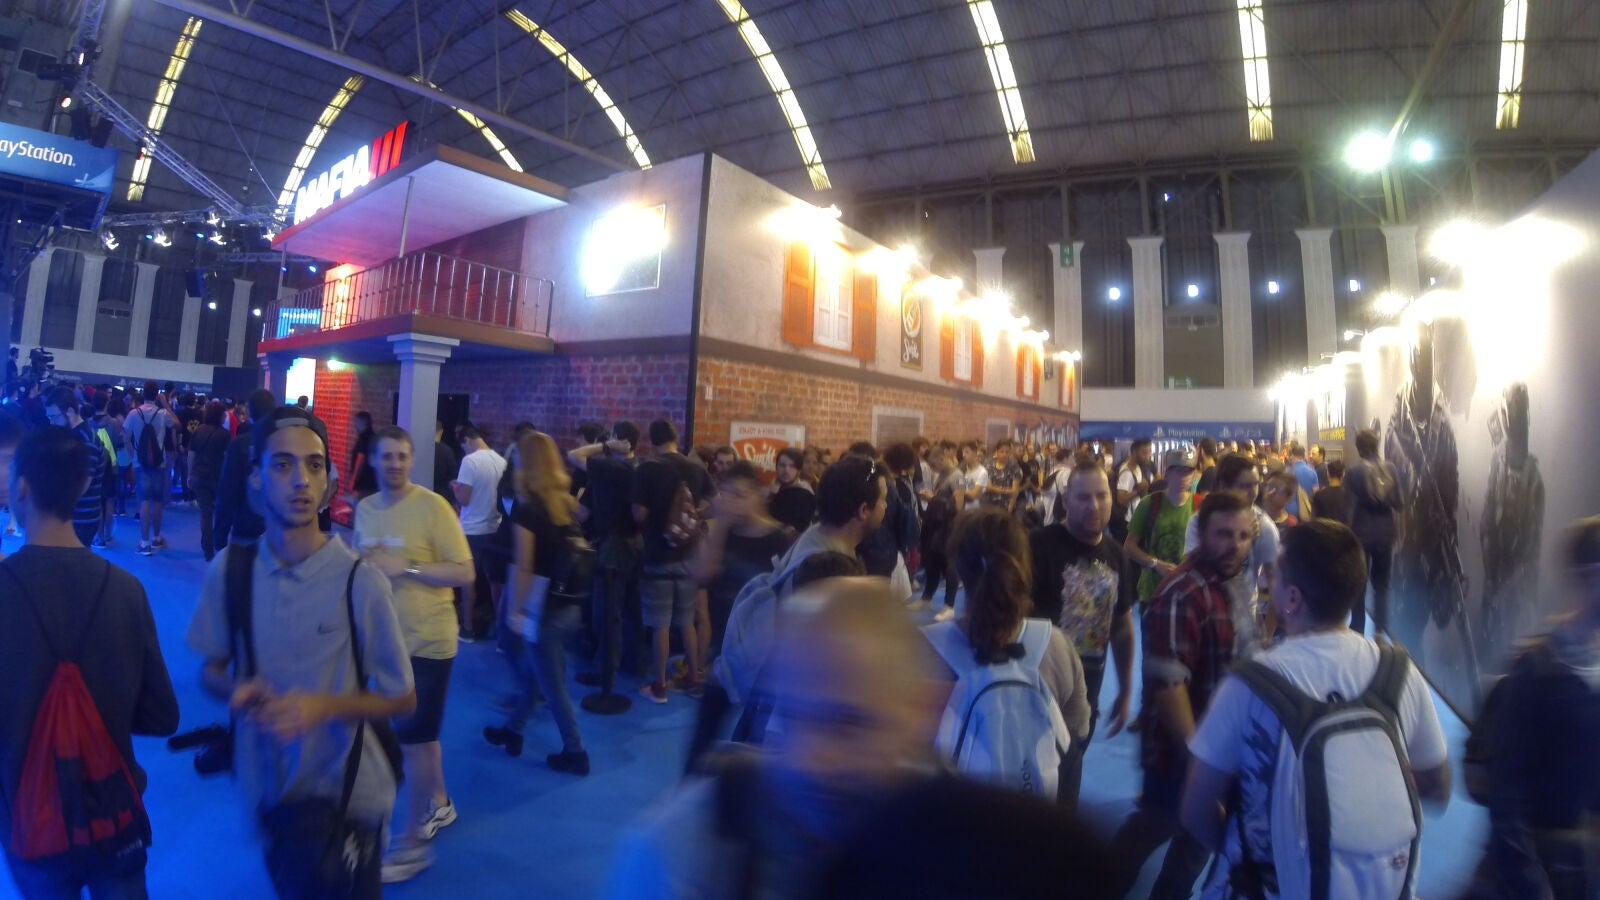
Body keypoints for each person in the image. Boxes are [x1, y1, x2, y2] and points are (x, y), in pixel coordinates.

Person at [187, 407, 414, 898]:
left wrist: (323, 706)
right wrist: (236, 688)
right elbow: (211, 669)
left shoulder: (359, 580)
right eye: (283, 464)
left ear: (328, 482)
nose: (300, 480)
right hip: (270, 792)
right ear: (255, 477)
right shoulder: (231, 571)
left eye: (314, 465)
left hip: (350, 795)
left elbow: (402, 697)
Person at [608, 578, 937, 900]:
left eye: (850, 723)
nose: (810, 759)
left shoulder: (949, 848)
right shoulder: (681, 851)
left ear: (918, 716)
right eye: (793, 716)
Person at [1181, 519, 1450, 898]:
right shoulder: (1400, 671)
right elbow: (1438, 787)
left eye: (1275, 574)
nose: (1268, 579)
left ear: (1292, 598)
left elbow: (1196, 809)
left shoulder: (1249, 684)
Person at [0, 425, 179, 899]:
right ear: (83, 487)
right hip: (111, 811)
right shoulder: (126, 590)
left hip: (29, 819)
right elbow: (162, 716)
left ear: (22, 487)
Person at [1110, 490, 1260, 900]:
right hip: (1179, 753)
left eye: (1243, 536)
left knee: (1195, 848)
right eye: (1224, 534)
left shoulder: (1230, 583)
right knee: (1153, 828)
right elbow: (1169, 686)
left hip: (1219, 750)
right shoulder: (1182, 593)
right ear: (1202, 533)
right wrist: (1198, 765)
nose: (1235, 545)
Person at [352, 426, 475, 882]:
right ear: (373, 460)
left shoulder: (433, 507)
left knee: (415, 741)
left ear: (412, 459)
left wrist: (406, 566)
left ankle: (413, 847)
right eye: (387, 456)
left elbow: (464, 572)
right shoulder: (365, 509)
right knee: (415, 736)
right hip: (385, 643)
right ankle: (438, 803)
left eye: (402, 456)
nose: (395, 464)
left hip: (428, 642)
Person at [1468, 517, 1600, 900]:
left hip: (1581, 869)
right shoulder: (1536, 670)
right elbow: (1507, 802)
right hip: (1543, 871)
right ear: (1588, 576)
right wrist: (1533, 889)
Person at [929, 507, 1090, 801]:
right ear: (1024, 569)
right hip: (1037, 817)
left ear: (958, 570)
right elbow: (1076, 734)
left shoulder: (925, 652)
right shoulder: (1056, 645)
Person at [1029, 456, 1135, 808]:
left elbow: (1122, 627)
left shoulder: (1117, 556)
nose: (1095, 505)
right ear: (1066, 499)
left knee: (1067, 782)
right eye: (1083, 497)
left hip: (1086, 690)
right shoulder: (1038, 546)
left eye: (1102, 496)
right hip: (1035, 690)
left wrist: (1125, 689)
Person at [484, 431, 590, 776]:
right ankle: (513, 730)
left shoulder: (528, 509)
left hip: (542, 609)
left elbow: (524, 565)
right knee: (534, 674)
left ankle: (575, 751)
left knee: (552, 686)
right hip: (569, 605)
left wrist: (514, 610)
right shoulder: (565, 503)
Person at [631, 419, 712, 704]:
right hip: (689, 555)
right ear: (676, 438)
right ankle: (694, 677)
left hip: (658, 555)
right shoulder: (695, 467)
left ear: (652, 441)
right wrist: (690, 515)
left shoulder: (647, 469)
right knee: (687, 621)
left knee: (660, 625)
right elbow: (712, 502)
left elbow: (638, 514)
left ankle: (659, 685)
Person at [568, 420, 646, 686]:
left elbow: (574, 455)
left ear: (618, 440)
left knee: (607, 613)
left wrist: (604, 446)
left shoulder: (610, 467)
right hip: (635, 543)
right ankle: (634, 663)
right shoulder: (639, 466)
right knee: (632, 610)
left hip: (612, 547)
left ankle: (605, 670)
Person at [1184, 453, 1280, 657]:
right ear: (1223, 486)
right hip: (1202, 618)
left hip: (1244, 624)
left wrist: (1268, 635)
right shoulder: (1200, 522)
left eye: (1256, 484)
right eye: (1244, 486)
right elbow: (1189, 570)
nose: (1253, 493)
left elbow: (1275, 583)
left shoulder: (1265, 527)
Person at [696, 459, 793, 656]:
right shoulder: (725, 532)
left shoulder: (778, 538)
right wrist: (722, 524)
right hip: (724, 640)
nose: (732, 503)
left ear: (757, 496)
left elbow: (787, 598)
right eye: (726, 495)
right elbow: (701, 575)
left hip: (761, 644)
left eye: (739, 495)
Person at [1343, 428, 1401, 636]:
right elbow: (1399, 503)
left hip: (1360, 532)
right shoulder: (1391, 468)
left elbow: (1347, 507)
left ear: (1359, 447)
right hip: (1386, 532)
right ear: (1377, 445)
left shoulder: (1353, 471)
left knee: (1359, 581)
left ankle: (1358, 627)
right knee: (1382, 585)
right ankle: (1380, 630)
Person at [1125, 446, 1200, 604]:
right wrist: (1155, 564)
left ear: (1193, 475)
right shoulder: (1150, 503)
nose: (1183, 478)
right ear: (1167, 473)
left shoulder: (1200, 506)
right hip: (1153, 590)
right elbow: (1129, 546)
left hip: (1188, 591)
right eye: (1178, 471)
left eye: (1187, 472)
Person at [454, 425, 508, 641]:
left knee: (468, 581)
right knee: (493, 585)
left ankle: (468, 628)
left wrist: (455, 488)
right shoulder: (501, 460)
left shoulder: (470, 461)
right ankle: (500, 634)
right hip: (495, 528)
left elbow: (464, 499)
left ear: (467, 440)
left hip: (472, 530)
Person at [42, 387, 108, 548]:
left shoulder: (85, 440)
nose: (51, 423)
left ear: (70, 411)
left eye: (54, 417)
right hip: (74, 515)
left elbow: (82, 484)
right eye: (49, 417)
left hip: (79, 518)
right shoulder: (76, 435)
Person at [214, 389, 276, 551]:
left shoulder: (240, 445)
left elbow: (227, 493)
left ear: (250, 412)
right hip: (277, 530)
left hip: (246, 528)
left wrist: (220, 537)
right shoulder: (286, 442)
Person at [123, 382, 175, 556]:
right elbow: (177, 424)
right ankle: (157, 538)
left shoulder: (133, 413)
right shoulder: (162, 413)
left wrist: (133, 455)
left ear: (143, 394)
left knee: (144, 500)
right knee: (157, 500)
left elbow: (126, 436)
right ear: (157, 395)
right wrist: (166, 404)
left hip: (141, 463)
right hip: (159, 462)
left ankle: (144, 543)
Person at [914, 440, 964, 619]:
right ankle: (926, 598)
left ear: (942, 458)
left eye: (934, 464)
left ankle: (949, 605)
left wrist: (933, 499)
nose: (933, 468)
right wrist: (932, 499)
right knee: (932, 562)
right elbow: (940, 501)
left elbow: (958, 506)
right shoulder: (940, 474)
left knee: (949, 565)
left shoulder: (957, 476)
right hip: (937, 526)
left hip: (950, 528)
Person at [189, 400, 232, 561]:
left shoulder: (199, 430)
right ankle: (219, 545)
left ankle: (207, 548)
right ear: (220, 416)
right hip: (217, 478)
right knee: (220, 513)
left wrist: (189, 474)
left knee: (205, 514)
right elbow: (227, 458)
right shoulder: (225, 435)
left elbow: (191, 454)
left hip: (199, 476)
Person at [1112, 438, 1155, 543]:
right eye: (1144, 452)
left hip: (1135, 519)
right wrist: (1138, 490)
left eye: (1149, 452)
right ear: (1134, 452)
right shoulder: (1126, 471)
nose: (1148, 456)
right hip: (1127, 522)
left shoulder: (1138, 467)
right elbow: (1121, 499)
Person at [768, 447, 816, 535]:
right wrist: (771, 495)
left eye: (792, 466)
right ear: (776, 467)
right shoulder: (772, 490)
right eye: (782, 465)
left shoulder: (804, 495)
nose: (786, 470)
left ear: (798, 471)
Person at [1259, 469, 1300, 540]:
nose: (1270, 492)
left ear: (1288, 498)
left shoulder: (1291, 524)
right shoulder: (1255, 519)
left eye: (1277, 489)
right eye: (1268, 486)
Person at [983, 439, 1022, 511]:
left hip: (1006, 504)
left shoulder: (1014, 466)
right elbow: (988, 487)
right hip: (989, 503)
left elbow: (1015, 490)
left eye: (1007, 452)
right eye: (1002, 451)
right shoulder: (989, 464)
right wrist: (1007, 491)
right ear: (997, 452)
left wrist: (1010, 508)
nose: (1004, 454)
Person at [348, 411, 378, 500]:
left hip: (363, 483)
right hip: (373, 482)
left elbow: (360, 461)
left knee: (360, 505)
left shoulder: (363, 438)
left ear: (361, 422)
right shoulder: (375, 438)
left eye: (356, 422)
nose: (355, 425)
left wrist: (353, 481)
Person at [431, 420, 457, 508]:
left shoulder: (422, 450)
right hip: (443, 497)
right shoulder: (447, 451)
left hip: (424, 493)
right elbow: (453, 477)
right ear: (441, 431)